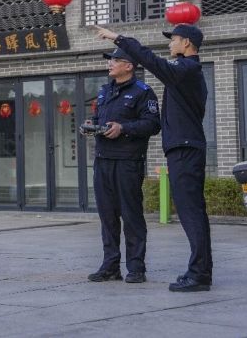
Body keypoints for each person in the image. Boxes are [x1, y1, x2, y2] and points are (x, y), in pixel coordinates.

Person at [95, 23, 213, 292]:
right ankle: (199, 271)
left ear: (186, 43)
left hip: (184, 148)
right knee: (191, 212)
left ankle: (199, 274)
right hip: (180, 147)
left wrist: (118, 38)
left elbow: (151, 61)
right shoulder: (184, 73)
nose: (170, 44)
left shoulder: (186, 69)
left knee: (191, 213)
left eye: (173, 39)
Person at [85, 48, 160, 285]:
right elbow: (99, 119)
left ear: (129, 66)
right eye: (110, 61)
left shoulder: (143, 92)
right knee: (107, 216)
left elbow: (153, 124)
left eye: (115, 60)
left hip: (128, 161)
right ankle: (110, 266)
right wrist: (91, 125)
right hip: (103, 160)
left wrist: (123, 128)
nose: (110, 64)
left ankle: (136, 268)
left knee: (131, 215)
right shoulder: (104, 91)